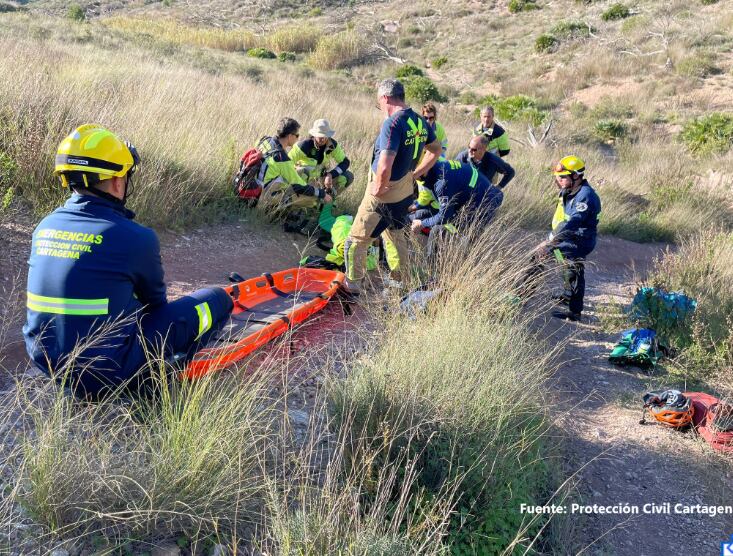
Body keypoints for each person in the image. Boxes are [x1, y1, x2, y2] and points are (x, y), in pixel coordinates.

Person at [23, 124, 233, 398]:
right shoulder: (135, 237)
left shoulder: (44, 227)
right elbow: (156, 304)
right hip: (108, 370)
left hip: (48, 362)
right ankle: (158, 375)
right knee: (217, 300)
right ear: (117, 181)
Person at [343, 79, 442, 292]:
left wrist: (378, 188)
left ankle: (351, 289)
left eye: (379, 102)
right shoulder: (419, 120)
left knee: (355, 242)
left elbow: (385, 164)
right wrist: (415, 174)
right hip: (405, 191)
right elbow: (436, 149)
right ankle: (401, 281)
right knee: (395, 234)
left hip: (384, 194)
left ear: (385, 98)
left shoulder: (393, 123)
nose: (380, 107)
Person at [518, 155, 601, 322]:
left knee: (557, 262)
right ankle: (567, 295)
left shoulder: (585, 196)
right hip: (567, 236)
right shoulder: (568, 190)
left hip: (580, 240)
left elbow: (573, 222)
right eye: (558, 177)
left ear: (576, 176)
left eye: (563, 177)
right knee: (564, 263)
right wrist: (552, 236)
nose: (559, 180)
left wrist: (550, 241)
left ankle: (523, 297)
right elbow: (562, 218)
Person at [256, 118, 332, 231]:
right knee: (310, 199)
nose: (298, 138)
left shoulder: (264, 140)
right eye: (297, 135)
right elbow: (300, 185)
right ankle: (277, 213)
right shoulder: (282, 159)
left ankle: (274, 208)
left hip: (253, 186)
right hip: (263, 196)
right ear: (290, 136)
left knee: (295, 175)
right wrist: (322, 194)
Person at [410, 159, 504, 232]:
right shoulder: (434, 169)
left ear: (422, 169)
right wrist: (414, 206)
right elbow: (426, 196)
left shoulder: (441, 183)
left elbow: (445, 217)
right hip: (470, 200)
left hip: (484, 205)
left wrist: (422, 223)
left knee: (438, 231)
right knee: (419, 215)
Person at [288, 119, 354, 194]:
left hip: (320, 180)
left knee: (348, 176)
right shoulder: (303, 146)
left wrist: (331, 175)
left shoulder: (332, 145)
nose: (323, 139)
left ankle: (329, 198)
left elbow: (345, 162)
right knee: (301, 171)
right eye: (320, 136)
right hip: (302, 183)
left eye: (325, 136)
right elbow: (286, 164)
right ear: (314, 134)